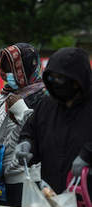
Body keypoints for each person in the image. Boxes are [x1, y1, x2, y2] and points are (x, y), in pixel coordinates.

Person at [15, 47, 92, 198]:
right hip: (53, 196)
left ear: (77, 80)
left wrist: (87, 155)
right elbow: (31, 132)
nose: (55, 83)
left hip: (87, 197)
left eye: (60, 79)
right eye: (51, 78)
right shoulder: (47, 106)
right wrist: (27, 144)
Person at [0, 43, 46, 207]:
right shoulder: (6, 94)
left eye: (12, 69)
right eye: (5, 69)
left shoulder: (43, 97)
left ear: (26, 68)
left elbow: (41, 133)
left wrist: (20, 109)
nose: (7, 75)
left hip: (26, 179)